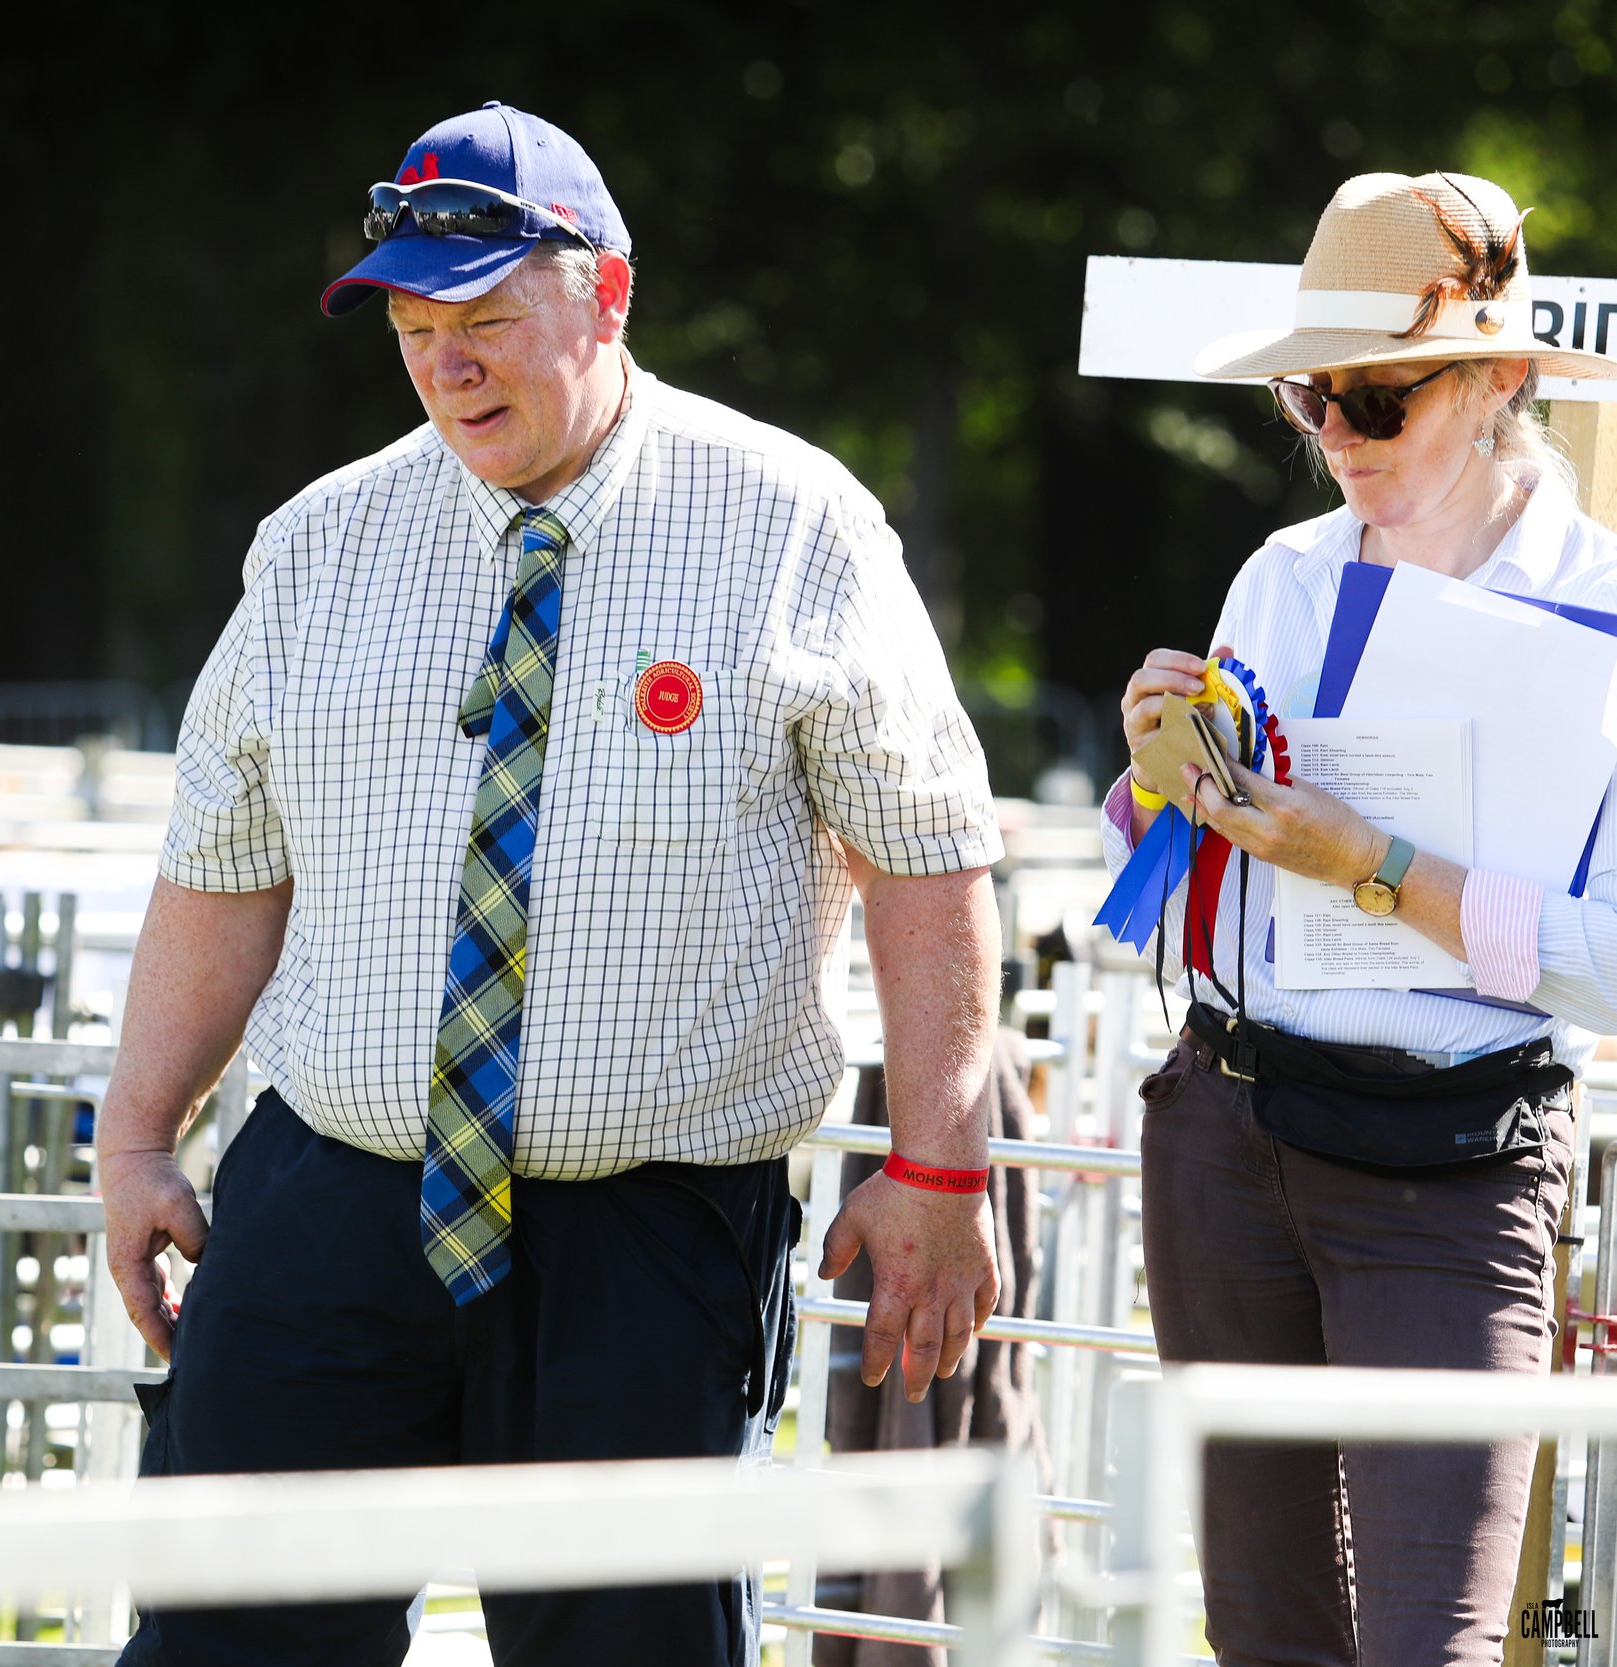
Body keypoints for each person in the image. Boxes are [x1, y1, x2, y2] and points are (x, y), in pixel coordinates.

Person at [96, 102, 1006, 1667]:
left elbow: (926, 853)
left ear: (611, 293)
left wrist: (940, 1164)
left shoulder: (795, 524)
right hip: (330, 1202)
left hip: (647, 1233)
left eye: (491, 321)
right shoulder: (318, 545)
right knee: (226, 1649)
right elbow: (221, 867)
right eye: (412, 325)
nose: (450, 364)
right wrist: (132, 1131)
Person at [1110, 171, 1617, 1665]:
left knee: (1432, 1645)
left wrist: (1379, 869)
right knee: (1263, 1638)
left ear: (1497, 383)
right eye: (1309, 398)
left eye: (1375, 403)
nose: (1333, 438)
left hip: (1453, 1168)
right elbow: (1192, 860)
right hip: (1229, 1127)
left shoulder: (1604, 618)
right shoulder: (1280, 575)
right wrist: (1161, 787)